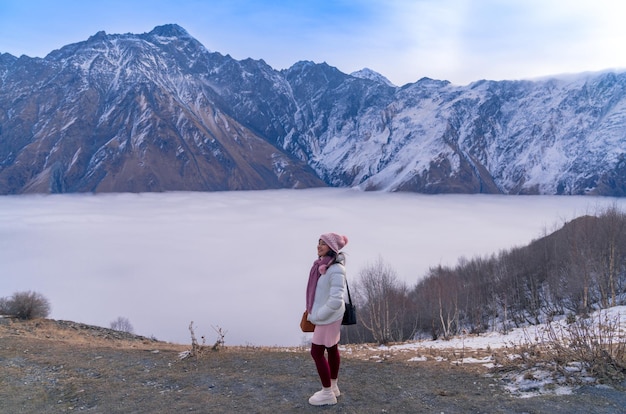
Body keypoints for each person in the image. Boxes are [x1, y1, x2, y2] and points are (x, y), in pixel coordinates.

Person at [305, 232, 349, 406]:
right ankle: (333, 387)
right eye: (318, 242)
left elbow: (336, 300)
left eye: (323, 244)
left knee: (316, 352)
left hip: (328, 316)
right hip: (328, 315)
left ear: (332, 248)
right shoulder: (325, 266)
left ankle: (327, 393)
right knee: (331, 349)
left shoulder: (336, 269)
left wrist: (317, 315)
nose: (319, 246)